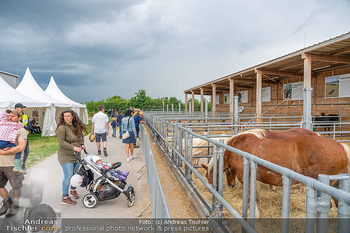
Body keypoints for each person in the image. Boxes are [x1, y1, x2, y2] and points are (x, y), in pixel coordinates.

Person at [56, 109, 87, 206]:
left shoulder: (76, 126)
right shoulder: (62, 128)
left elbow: (81, 138)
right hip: (65, 154)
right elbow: (61, 142)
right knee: (68, 175)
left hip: (76, 155)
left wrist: (82, 144)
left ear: (73, 117)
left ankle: (73, 190)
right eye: (65, 116)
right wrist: (74, 147)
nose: (66, 118)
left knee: (75, 174)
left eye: (68, 116)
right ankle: (65, 197)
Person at [0, 109, 27, 217]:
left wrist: (2, 152)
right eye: (9, 116)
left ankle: (15, 204)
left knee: (16, 186)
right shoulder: (2, 127)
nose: (10, 118)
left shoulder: (20, 130)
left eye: (13, 116)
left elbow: (21, 146)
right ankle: (6, 202)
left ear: (19, 118)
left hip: (12, 163)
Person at [14, 103, 29, 171]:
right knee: (18, 152)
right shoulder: (12, 116)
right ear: (17, 108)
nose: (23, 109)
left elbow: (29, 126)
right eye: (21, 108)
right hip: (15, 137)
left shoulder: (25, 116)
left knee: (26, 151)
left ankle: (23, 165)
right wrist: (24, 126)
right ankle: (16, 167)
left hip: (25, 137)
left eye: (23, 108)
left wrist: (24, 127)